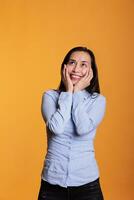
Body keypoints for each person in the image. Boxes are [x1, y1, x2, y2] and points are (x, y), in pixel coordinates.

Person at [38, 46, 106, 200]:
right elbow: (56, 127)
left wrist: (76, 93)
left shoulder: (98, 101)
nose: (76, 69)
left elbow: (83, 128)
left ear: (91, 71)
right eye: (72, 62)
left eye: (83, 65)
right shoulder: (50, 96)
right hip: (52, 185)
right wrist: (69, 92)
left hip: (88, 185)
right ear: (64, 67)